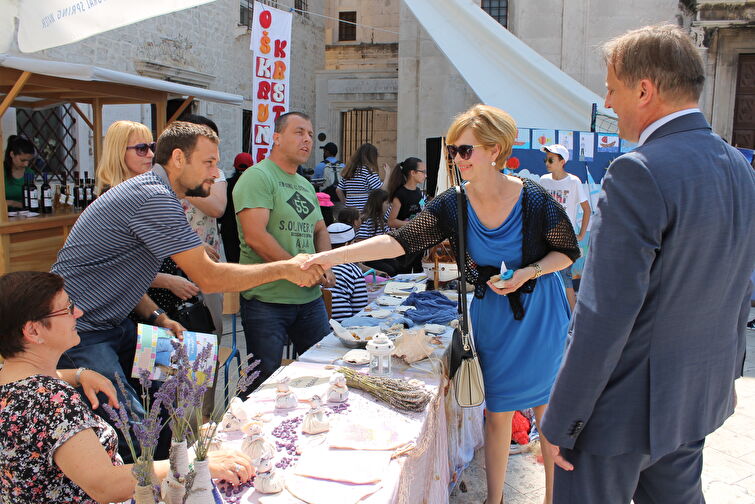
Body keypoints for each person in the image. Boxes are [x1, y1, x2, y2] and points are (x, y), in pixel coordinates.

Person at [303, 103, 580, 504]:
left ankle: (553, 499)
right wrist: (328, 255)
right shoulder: (453, 202)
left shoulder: (532, 198)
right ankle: (494, 500)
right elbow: (400, 242)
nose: (455, 158)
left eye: (464, 150)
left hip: (539, 311)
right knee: (497, 408)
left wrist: (527, 272)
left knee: (545, 410)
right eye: (452, 150)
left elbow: (567, 252)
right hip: (492, 313)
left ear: (494, 150)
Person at [540, 24, 755, 504]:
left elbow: (602, 314)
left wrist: (561, 417)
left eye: (612, 90)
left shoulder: (638, 170)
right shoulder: (740, 165)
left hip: (619, 414)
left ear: (645, 89)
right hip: (694, 397)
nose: (608, 103)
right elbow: (739, 286)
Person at [51, 121, 323, 457]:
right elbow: (208, 278)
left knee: (186, 376)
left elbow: (118, 272)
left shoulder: (158, 193)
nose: (215, 173)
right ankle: (157, 477)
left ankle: (180, 464)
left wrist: (158, 317)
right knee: (133, 433)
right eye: (208, 163)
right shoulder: (152, 196)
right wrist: (285, 268)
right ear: (179, 158)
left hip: (116, 324)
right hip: (82, 331)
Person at [0, 271, 254, 503]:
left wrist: (79, 374)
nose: (78, 313)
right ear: (33, 331)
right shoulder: (53, 401)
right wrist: (196, 464)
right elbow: (105, 485)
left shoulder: (12, 378)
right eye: (67, 309)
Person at [233, 112, 334, 391]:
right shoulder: (258, 177)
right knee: (262, 383)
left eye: (311, 134)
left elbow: (320, 230)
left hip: (309, 299)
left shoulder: (304, 184)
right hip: (267, 300)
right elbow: (256, 236)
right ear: (276, 138)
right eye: (299, 132)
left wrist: (326, 264)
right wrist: (296, 268)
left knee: (324, 372)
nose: (307, 140)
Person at [537, 144, 590, 310]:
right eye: (546, 159)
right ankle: (553, 315)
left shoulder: (574, 181)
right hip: (545, 236)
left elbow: (587, 209)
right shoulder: (543, 180)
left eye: (551, 159)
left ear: (562, 161)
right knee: (544, 275)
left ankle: (574, 321)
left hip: (565, 237)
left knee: (565, 278)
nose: (547, 163)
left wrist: (580, 235)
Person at [95, 120, 156, 194]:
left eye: (152, 147)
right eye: (142, 148)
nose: (151, 154)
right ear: (120, 152)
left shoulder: (151, 188)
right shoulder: (111, 196)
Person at [325, 222, 368, 322]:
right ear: (347, 245)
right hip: (343, 328)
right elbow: (360, 310)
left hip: (318, 327)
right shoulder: (353, 270)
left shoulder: (316, 267)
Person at [355, 189, 399, 277]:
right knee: (390, 271)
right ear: (379, 204)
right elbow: (360, 243)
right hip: (370, 258)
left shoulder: (383, 218)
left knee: (399, 267)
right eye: (387, 203)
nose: (389, 205)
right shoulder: (366, 221)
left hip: (382, 254)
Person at [336, 142, 390, 211]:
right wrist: (388, 173)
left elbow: (338, 190)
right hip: (365, 211)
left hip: (350, 211)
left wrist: (346, 203)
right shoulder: (368, 171)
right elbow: (381, 189)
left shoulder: (350, 170)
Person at [220, 152, 253, 263]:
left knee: (232, 265)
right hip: (249, 231)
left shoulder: (227, 185)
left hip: (228, 230)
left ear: (234, 166)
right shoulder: (254, 186)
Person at [386, 157, 427, 229]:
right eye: (423, 172)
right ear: (413, 173)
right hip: (403, 238)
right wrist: (412, 224)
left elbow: (423, 208)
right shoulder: (400, 194)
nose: (425, 175)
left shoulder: (419, 192)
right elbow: (391, 222)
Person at [3, 135, 35, 209]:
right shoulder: (2, 172)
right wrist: (13, 203)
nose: (26, 164)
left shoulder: (29, 173)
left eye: (28, 161)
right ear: (12, 154)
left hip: (26, 216)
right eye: (22, 160)